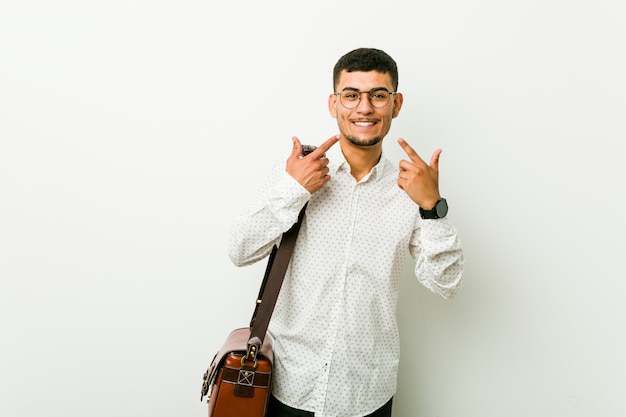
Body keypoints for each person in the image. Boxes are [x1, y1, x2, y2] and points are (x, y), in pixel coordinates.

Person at [228, 47, 464, 417]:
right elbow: (239, 249)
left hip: (366, 394)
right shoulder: (295, 172)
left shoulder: (412, 189)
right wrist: (294, 190)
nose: (364, 108)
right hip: (289, 387)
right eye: (352, 95)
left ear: (396, 104)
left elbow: (446, 284)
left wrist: (432, 208)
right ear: (333, 103)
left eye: (378, 95)